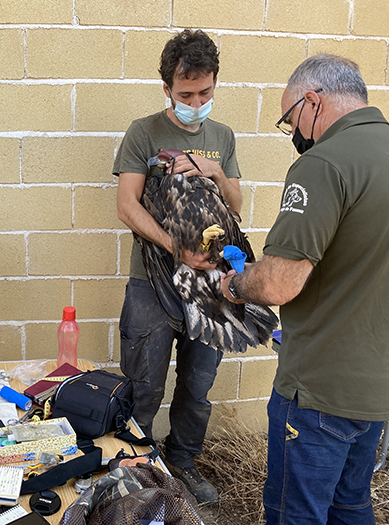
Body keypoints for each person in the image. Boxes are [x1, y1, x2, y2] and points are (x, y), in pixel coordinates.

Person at [221, 54, 389, 524]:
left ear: (312, 101)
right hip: (376, 391)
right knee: (352, 504)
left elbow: (277, 283)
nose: (293, 132)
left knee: (296, 512)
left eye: (290, 119)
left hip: (319, 393)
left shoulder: (324, 165)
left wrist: (236, 283)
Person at [114, 29, 242, 505]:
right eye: (186, 94)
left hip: (209, 284)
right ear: (166, 88)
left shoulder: (223, 137)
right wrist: (174, 247)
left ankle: (182, 462)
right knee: (143, 382)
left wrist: (216, 173)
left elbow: (237, 206)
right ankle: (137, 465)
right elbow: (127, 205)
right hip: (152, 283)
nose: (196, 101)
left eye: (205, 92)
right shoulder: (143, 132)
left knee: (199, 384)